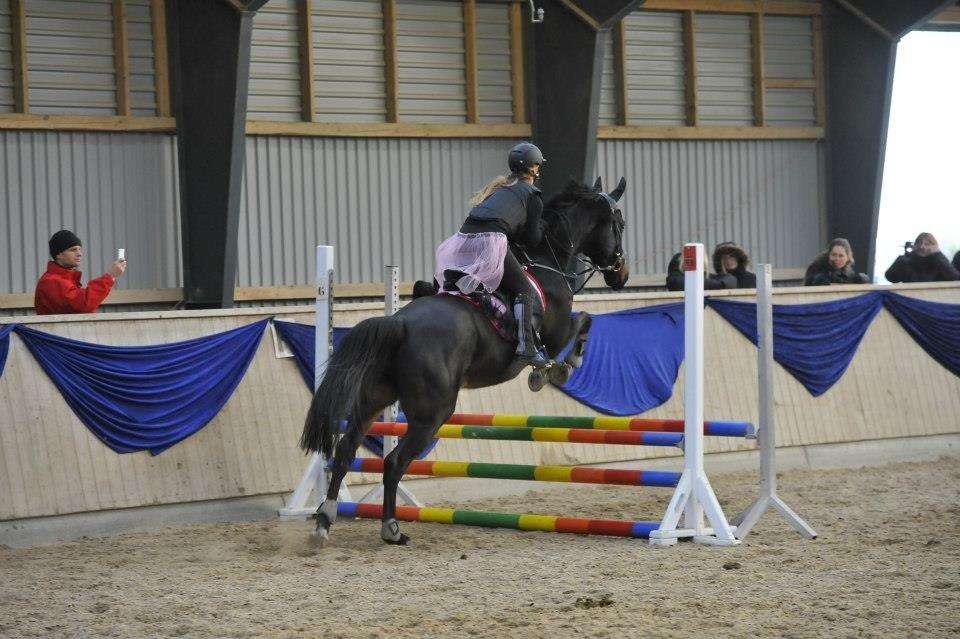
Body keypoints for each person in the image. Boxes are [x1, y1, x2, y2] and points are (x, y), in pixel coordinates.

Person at [434, 142, 549, 368]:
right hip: (490, 241)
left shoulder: (500, 189)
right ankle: (526, 347)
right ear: (534, 167)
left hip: (462, 239)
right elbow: (532, 240)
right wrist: (541, 227)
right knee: (524, 289)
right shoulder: (533, 195)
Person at [34, 230, 127, 315]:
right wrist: (110, 276)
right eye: (73, 250)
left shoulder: (63, 279)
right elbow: (83, 305)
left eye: (79, 249)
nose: (79, 253)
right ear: (58, 254)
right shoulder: (50, 282)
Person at [884, 232, 959, 283]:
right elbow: (890, 278)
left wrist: (938, 255)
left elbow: (954, 277)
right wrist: (904, 259)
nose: (922, 247)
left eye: (927, 244)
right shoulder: (906, 261)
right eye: (919, 243)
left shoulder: (939, 261)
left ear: (934, 246)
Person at [804, 238, 870, 286]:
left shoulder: (849, 273)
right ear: (828, 254)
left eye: (841, 256)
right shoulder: (816, 267)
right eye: (834, 255)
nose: (837, 259)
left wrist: (861, 279)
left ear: (847, 257)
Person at [665, 252, 736, 291]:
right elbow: (680, 283)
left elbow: (731, 280)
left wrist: (719, 284)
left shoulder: (704, 276)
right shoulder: (675, 279)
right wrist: (718, 285)